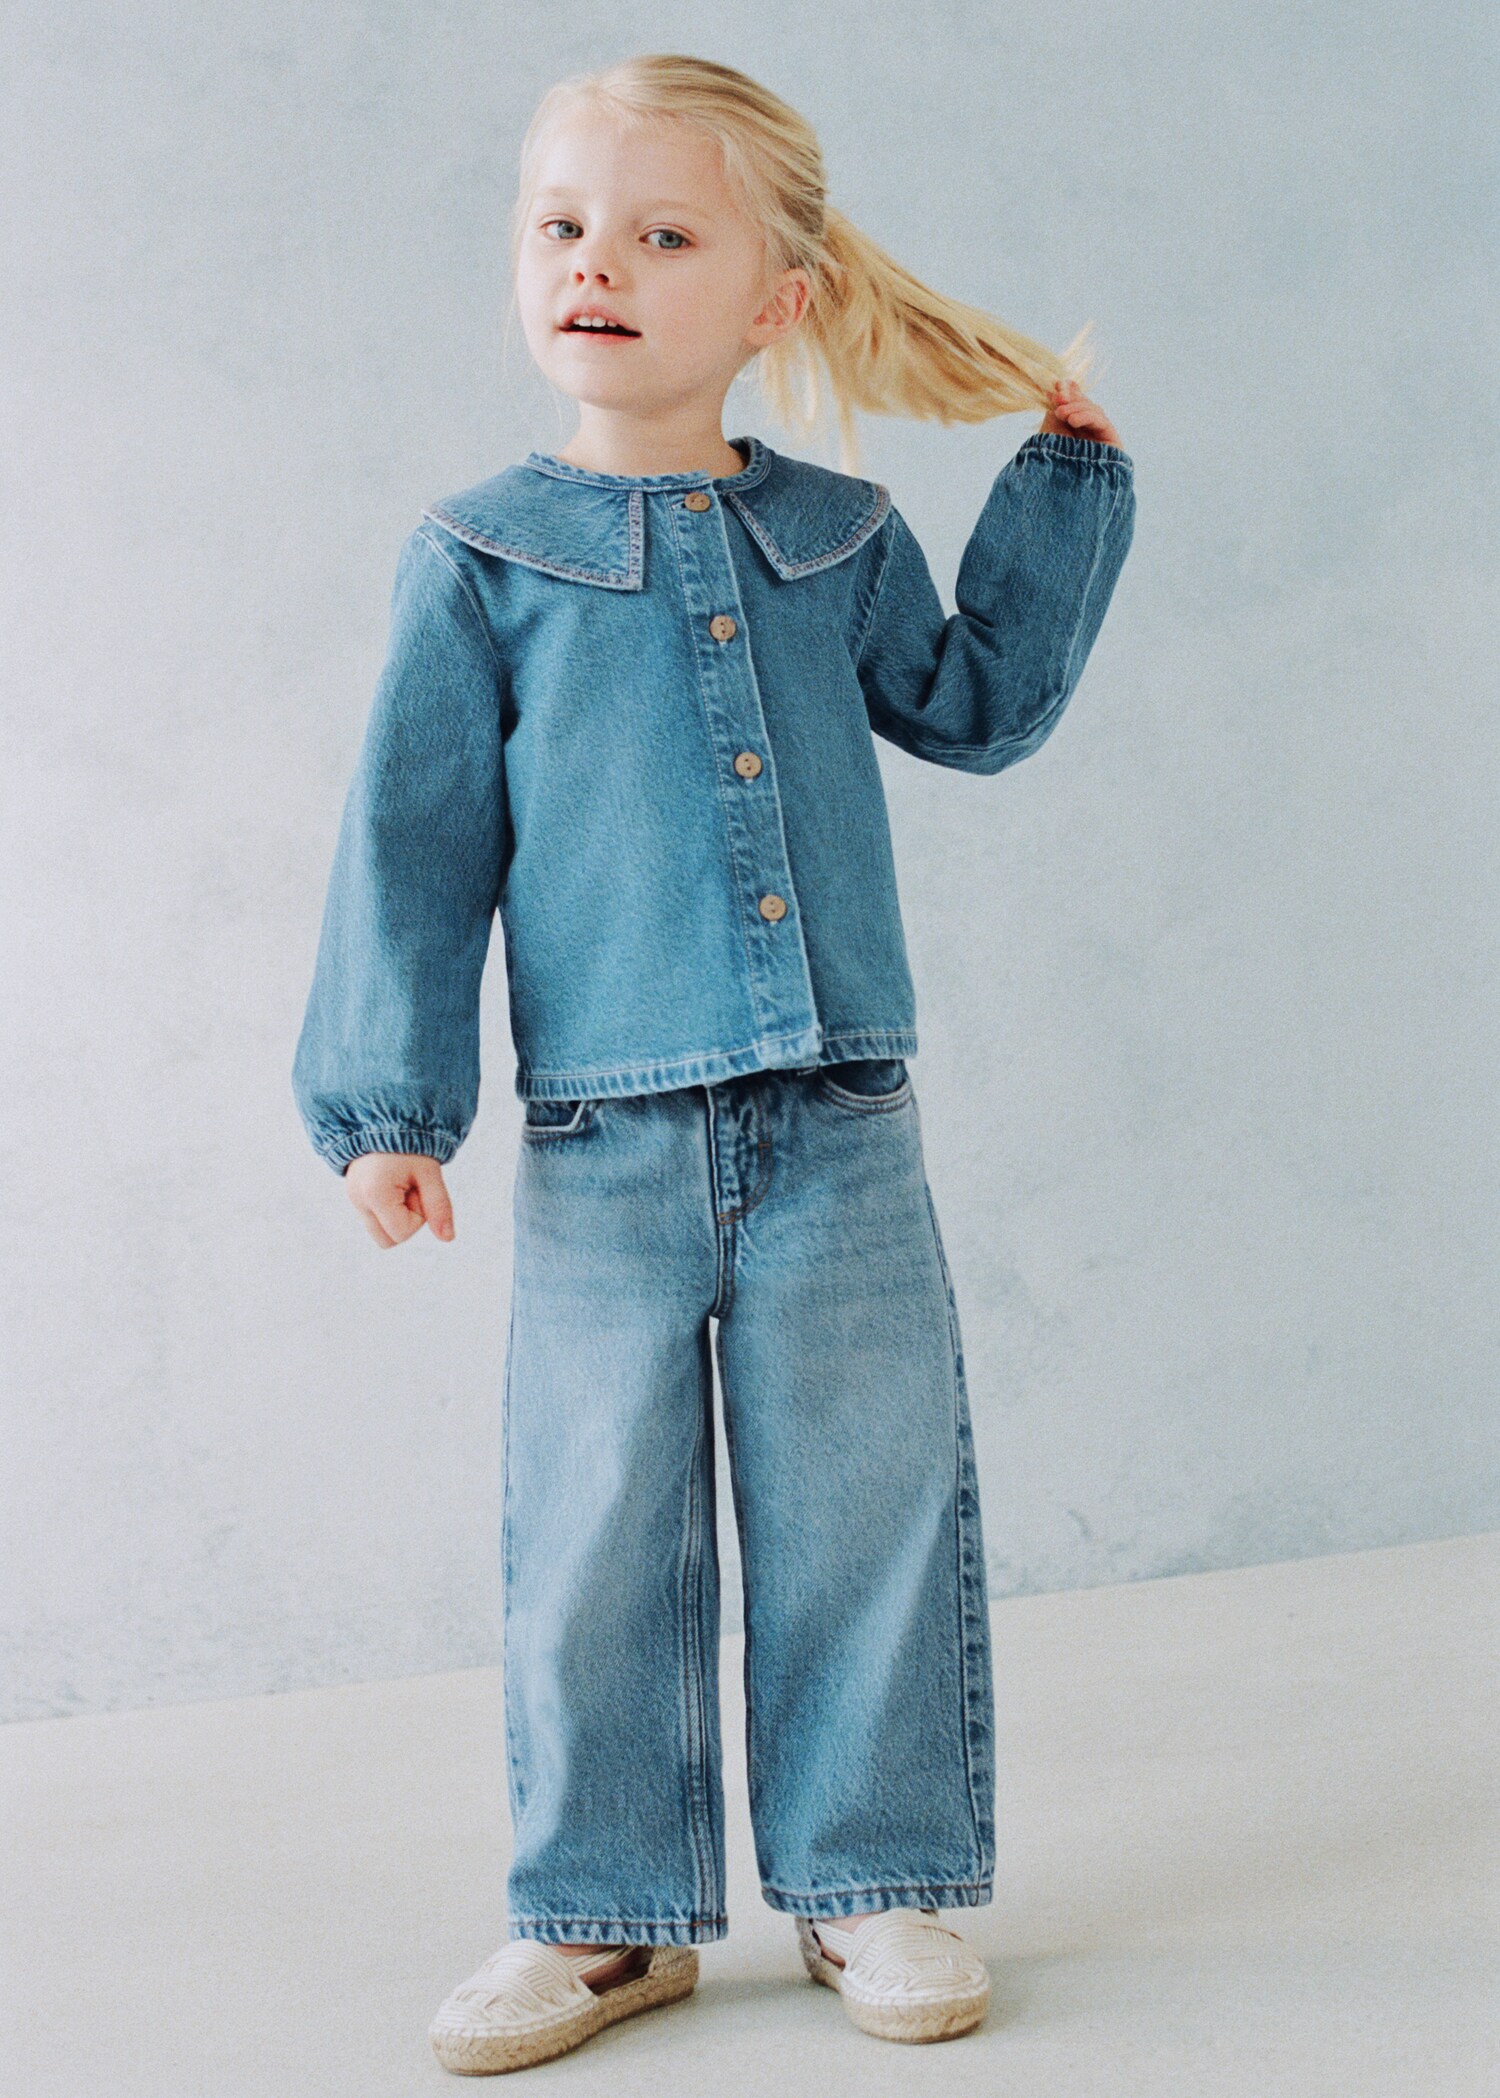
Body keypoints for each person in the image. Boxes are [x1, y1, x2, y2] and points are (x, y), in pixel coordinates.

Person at [291, 50, 1136, 2075]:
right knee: (594, 1523)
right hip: (603, 1134)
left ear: (774, 299)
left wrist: (1069, 479)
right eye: (564, 224)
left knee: (862, 1503)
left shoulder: (839, 537)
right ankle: (602, 1914)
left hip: (844, 1113)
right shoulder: (478, 559)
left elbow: (984, 704)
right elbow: (410, 849)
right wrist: (390, 1111)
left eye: (664, 233)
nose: (599, 263)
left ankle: (864, 1871)